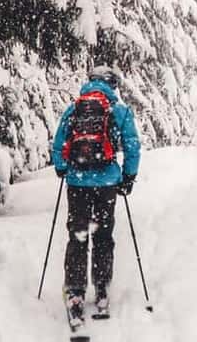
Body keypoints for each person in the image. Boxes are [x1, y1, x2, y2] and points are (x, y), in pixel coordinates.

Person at [51, 65, 141, 327]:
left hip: (77, 183)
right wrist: (128, 177)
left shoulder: (74, 108)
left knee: (78, 235)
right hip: (107, 183)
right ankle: (101, 289)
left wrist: (62, 167)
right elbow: (132, 146)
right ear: (112, 84)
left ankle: (76, 292)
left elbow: (59, 143)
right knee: (103, 235)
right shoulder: (119, 110)